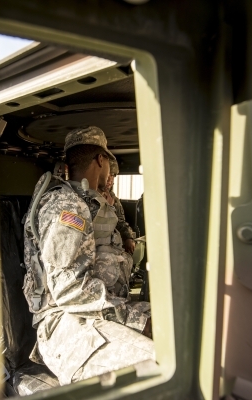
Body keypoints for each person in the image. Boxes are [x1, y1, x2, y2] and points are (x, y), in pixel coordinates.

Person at [22, 126, 154, 385]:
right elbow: (68, 290)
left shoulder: (90, 201)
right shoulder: (67, 206)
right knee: (160, 367)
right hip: (65, 324)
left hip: (97, 311)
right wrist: (139, 321)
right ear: (101, 160)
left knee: (180, 330)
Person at [100, 158, 136, 255]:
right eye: (108, 175)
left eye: (113, 176)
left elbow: (121, 222)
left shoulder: (114, 199)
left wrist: (128, 237)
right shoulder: (90, 196)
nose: (110, 180)